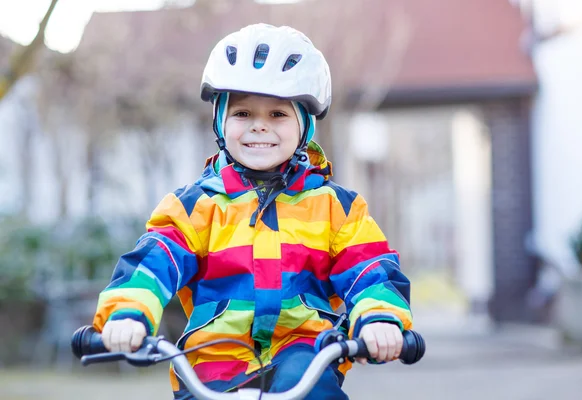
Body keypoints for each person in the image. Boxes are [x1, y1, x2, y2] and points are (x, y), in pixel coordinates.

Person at [92, 23, 413, 400]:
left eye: (278, 114)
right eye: (243, 113)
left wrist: (378, 318)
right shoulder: (195, 207)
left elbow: (369, 269)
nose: (259, 126)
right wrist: (128, 312)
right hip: (213, 363)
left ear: (304, 127)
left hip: (304, 358)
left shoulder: (335, 209)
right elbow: (152, 262)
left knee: (314, 390)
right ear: (220, 121)